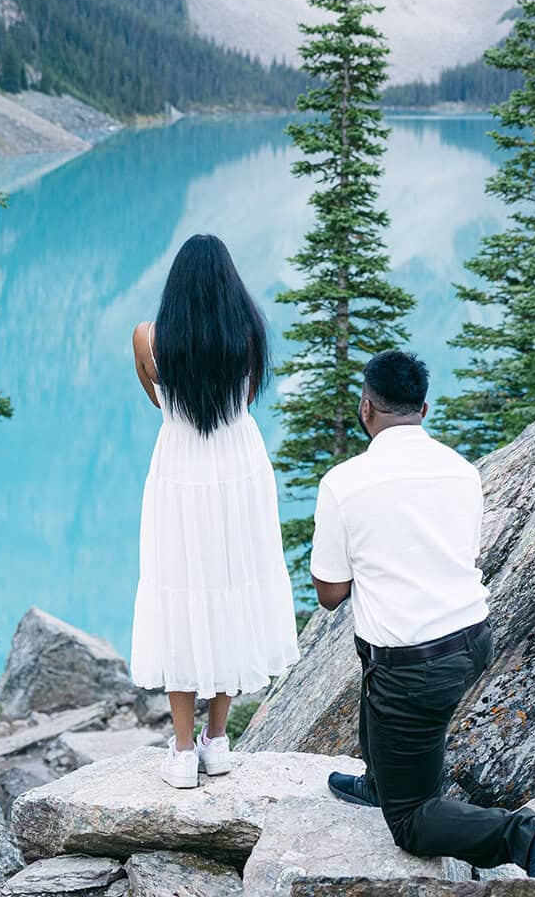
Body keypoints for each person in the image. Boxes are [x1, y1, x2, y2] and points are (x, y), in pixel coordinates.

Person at [310, 348, 535, 883]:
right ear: (424, 409)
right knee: (378, 662)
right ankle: (380, 781)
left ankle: (532, 836)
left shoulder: (344, 483)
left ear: (366, 407)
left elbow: (330, 593)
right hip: (471, 641)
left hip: (413, 665)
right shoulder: (462, 471)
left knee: (412, 822)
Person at [130, 233, 299, 788]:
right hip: (236, 466)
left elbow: (160, 401)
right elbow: (244, 401)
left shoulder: (147, 337)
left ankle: (182, 752)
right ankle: (217, 741)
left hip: (179, 467)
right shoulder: (247, 335)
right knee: (232, 587)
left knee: (179, 590)